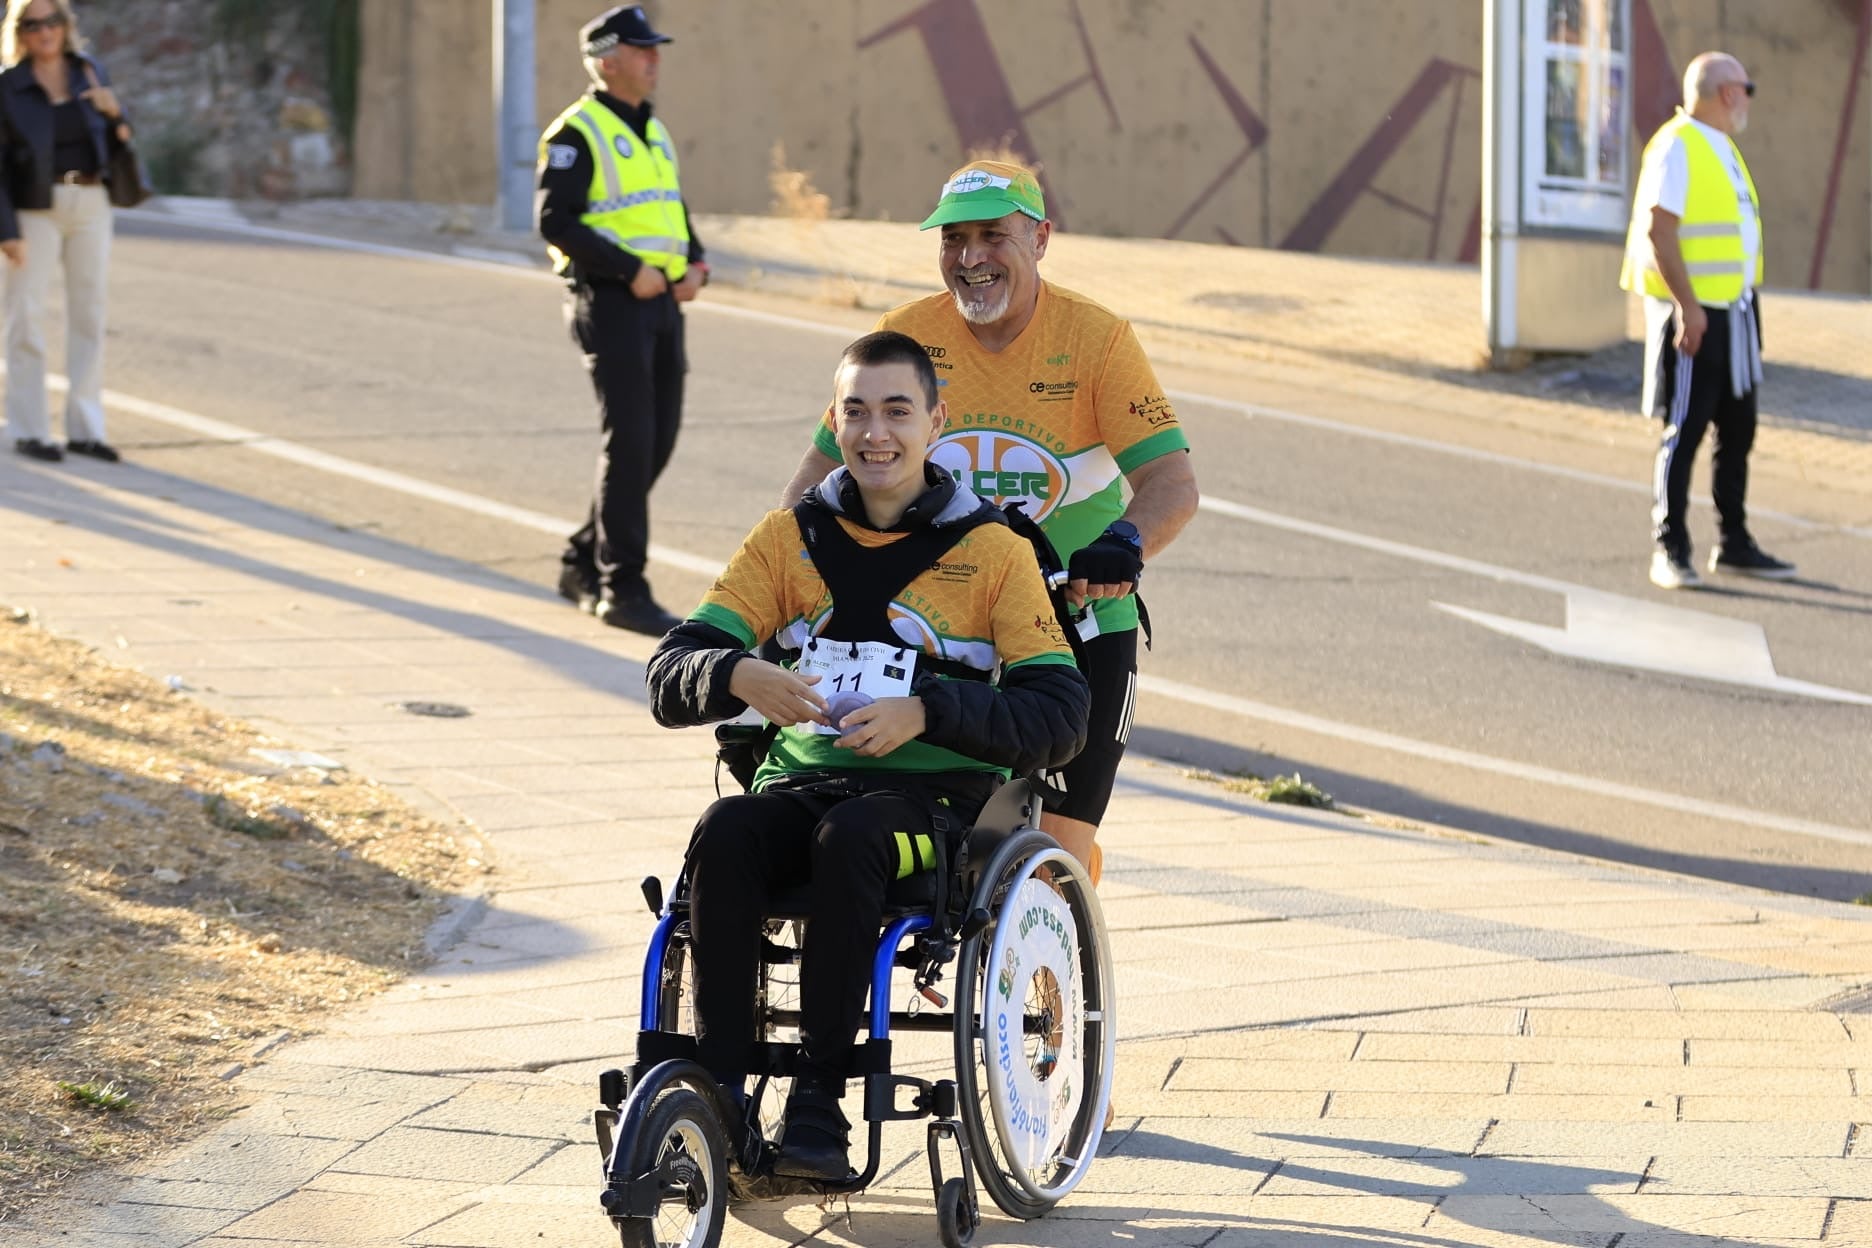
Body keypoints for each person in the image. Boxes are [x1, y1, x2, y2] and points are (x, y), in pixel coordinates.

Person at [647, 330, 1090, 1181]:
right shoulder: (786, 539)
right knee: (726, 830)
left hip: (934, 813)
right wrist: (734, 672)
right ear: (834, 420)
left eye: (897, 411)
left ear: (936, 423)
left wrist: (928, 711)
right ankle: (719, 1093)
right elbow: (669, 672)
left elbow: (1061, 714)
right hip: (804, 783)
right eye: (856, 412)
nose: (875, 433)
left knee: (852, 838)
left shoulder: (994, 551)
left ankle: (819, 1100)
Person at [779, 160, 1198, 886]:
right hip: (935, 620)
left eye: (992, 236)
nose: (970, 258)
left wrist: (1123, 543)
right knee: (908, 829)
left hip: (1074, 622)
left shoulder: (1096, 339)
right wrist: (791, 571)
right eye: (953, 239)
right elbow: (817, 476)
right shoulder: (906, 336)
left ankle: (1053, 936)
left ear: (1040, 239)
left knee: (1055, 858)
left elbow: (1172, 482)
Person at [537, 4, 706, 634]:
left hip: (660, 301)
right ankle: (622, 589)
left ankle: (582, 561)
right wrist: (627, 268)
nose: (654, 59)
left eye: (655, 49)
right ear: (607, 61)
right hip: (611, 300)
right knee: (631, 442)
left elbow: (670, 209)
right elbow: (555, 221)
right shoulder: (576, 133)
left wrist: (697, 262)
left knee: (655, 442)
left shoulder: (652, 129)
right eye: (641, 50)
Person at [1622, 51, 1794, 590]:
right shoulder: (1678, 145)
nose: (1749, 100)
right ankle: (1670, 548)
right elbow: (1660, 231)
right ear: (1727, 93)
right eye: (1747, 89)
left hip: (1735, 311)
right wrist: (1688, 308)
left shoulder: (1721, 146)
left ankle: (1734, 542)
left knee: (1738, 430)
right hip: (1697, 315)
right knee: (1686, 429)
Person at [0, 0, 131, 464]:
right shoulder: (8, 86)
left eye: (52, 21)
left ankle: (86, 429)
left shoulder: (89, 72)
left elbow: (119, 138)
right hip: (35, 207)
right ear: (19, 33)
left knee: (90, 314)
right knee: (26, 316)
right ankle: (30, 429)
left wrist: (116, 114)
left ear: (66, 26)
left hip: (92, 201)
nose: (45, 31)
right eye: (33, 24)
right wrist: (6, 228)